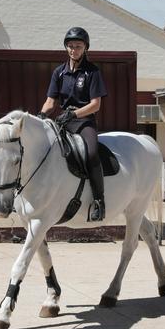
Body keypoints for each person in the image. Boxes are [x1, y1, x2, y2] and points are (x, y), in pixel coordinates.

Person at [38, 27, 107, 222]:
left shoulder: (93, 72)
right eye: (70, 46)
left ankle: (99, 201)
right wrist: (42, 115)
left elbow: (95, 105)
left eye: (78, 46)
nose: (73, 50)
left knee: (92, 153)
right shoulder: (59, 72)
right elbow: (51, 102)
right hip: (63, 121)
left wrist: (74, 113)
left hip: (84, 121)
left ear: (85, 48)